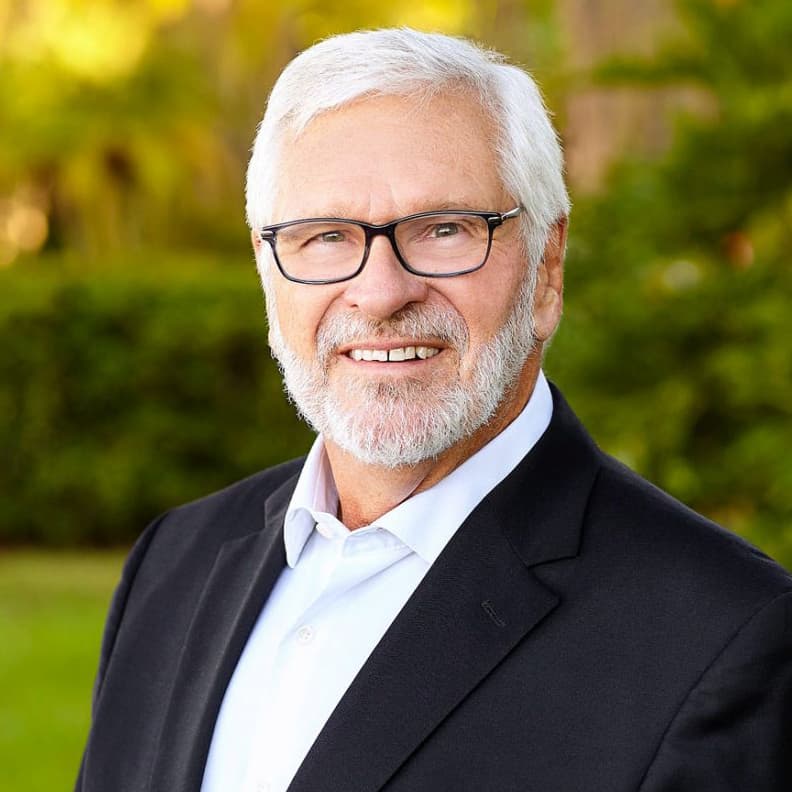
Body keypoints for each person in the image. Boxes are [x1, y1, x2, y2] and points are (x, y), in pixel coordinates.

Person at [76, 29, 792, 792]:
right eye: (326, 236)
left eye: (444, 230)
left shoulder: (719, 639)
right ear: (267, 268)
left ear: (547, 268)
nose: (381, 293)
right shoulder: (173, 564)